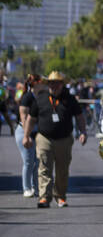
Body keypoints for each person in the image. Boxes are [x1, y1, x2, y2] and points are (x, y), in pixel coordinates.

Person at [23, 71, 86, 208]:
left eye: (57, 83)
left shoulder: (69, 99)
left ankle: (60, 196)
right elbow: (31, 119)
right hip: (44, 138)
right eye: (51, 83)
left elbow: (79, 116)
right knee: (44, 168)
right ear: (48, 85)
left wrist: (83, 132)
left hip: (64, 139)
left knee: (62, 170)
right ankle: (44, 197)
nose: (54, 86)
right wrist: (26, 136)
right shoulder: (41, 98)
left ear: (62, 85)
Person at [15, 74, 42, 198]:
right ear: (34, 84)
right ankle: (26, 188)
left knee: (37, 162)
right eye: (40, 82)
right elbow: (24, 117)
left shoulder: (41, 97)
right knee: (28, 161)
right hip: (23, 131)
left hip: (36, 132)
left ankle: (35, 188)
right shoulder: (27, 97)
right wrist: (27, 134)